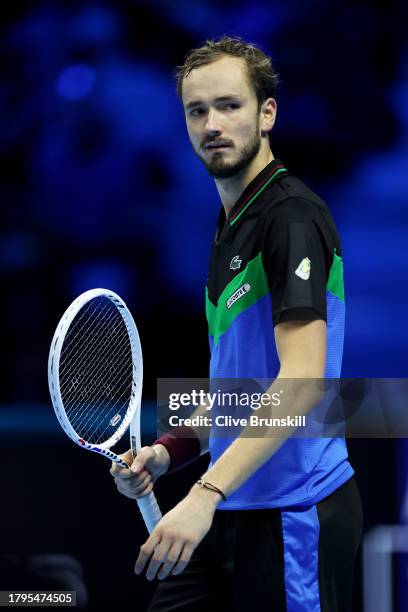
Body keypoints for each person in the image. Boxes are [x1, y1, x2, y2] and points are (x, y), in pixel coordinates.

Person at [111, 36, 363, 611]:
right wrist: (169, 451)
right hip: (231, 506)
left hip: (294, 514)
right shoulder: (230, 225)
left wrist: (202, 494)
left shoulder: (291, 217)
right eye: (196, 111)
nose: (212, 124)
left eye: (229, 105)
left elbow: (301, 382)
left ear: (266, 112)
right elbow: (240, 387)